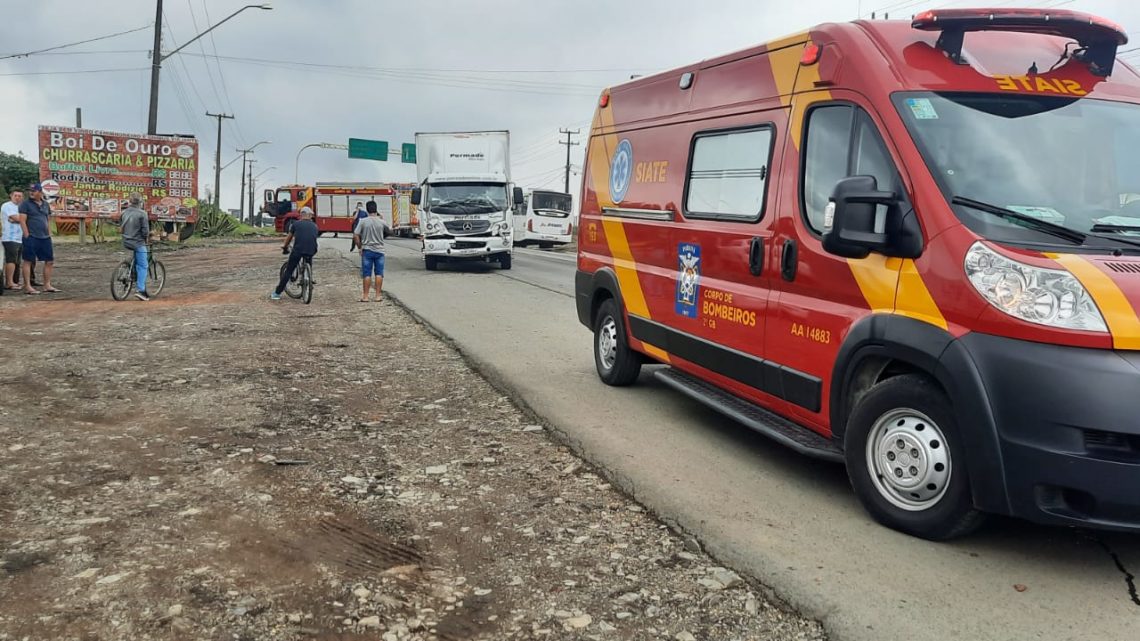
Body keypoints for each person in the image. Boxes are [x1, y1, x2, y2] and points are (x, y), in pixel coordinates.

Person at [271, 206, 318, 301]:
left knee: (288, 270)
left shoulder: (296, 224)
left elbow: (289, 238)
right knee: (308, 259)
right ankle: (309, 278)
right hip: (312, 250)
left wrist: (285, 247)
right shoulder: (315, 226)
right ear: (309, 215)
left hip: (298, 250)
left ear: (301, 215)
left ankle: (277, 293)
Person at [18, 183, 58, 294]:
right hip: (32, 236)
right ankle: (28, 286)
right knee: (28, 261)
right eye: (30, 190)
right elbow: (22, 220)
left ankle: (47, 285)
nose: (31, 192)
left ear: (40, 192)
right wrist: (26, 234)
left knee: (49, 261)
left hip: (44, 237)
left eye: (34, 190)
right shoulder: (25, 204)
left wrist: (49, 232)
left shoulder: (45, 204)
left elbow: (48, 219)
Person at [120, 192, 151, 301]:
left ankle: (130, 272)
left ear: (130, 202)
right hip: (137, 242)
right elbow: (145, 231)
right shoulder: (142, 214)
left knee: (137, 259)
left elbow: (121, 226)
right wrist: (147, 238)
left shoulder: (124, 212)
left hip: (125, 241)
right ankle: (141, 290)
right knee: (143, 266)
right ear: (140, 202)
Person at [354, 201, 386, 302]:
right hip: (380, 251)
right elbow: (389, 231)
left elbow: (355, 235)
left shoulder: (363, 221)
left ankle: (366, 296)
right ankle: (377, 296)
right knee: (379, 273)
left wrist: (359, 247)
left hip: (367, 250)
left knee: (367, 274)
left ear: (367, 210)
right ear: (376, 209)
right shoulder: (381, 222)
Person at [2, 190, 24, 292]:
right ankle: (9, 282)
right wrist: (20, 219)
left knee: (17, 261)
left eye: (20, 196)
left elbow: (21, 218)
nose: (17, 197)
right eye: (15, 195)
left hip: (20, 237)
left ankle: (15, 281)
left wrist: (20, 219)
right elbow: (15, 217)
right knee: (11, 260)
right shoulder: (7, 206)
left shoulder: (22, 207)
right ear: (11, 196)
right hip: (9, 237)